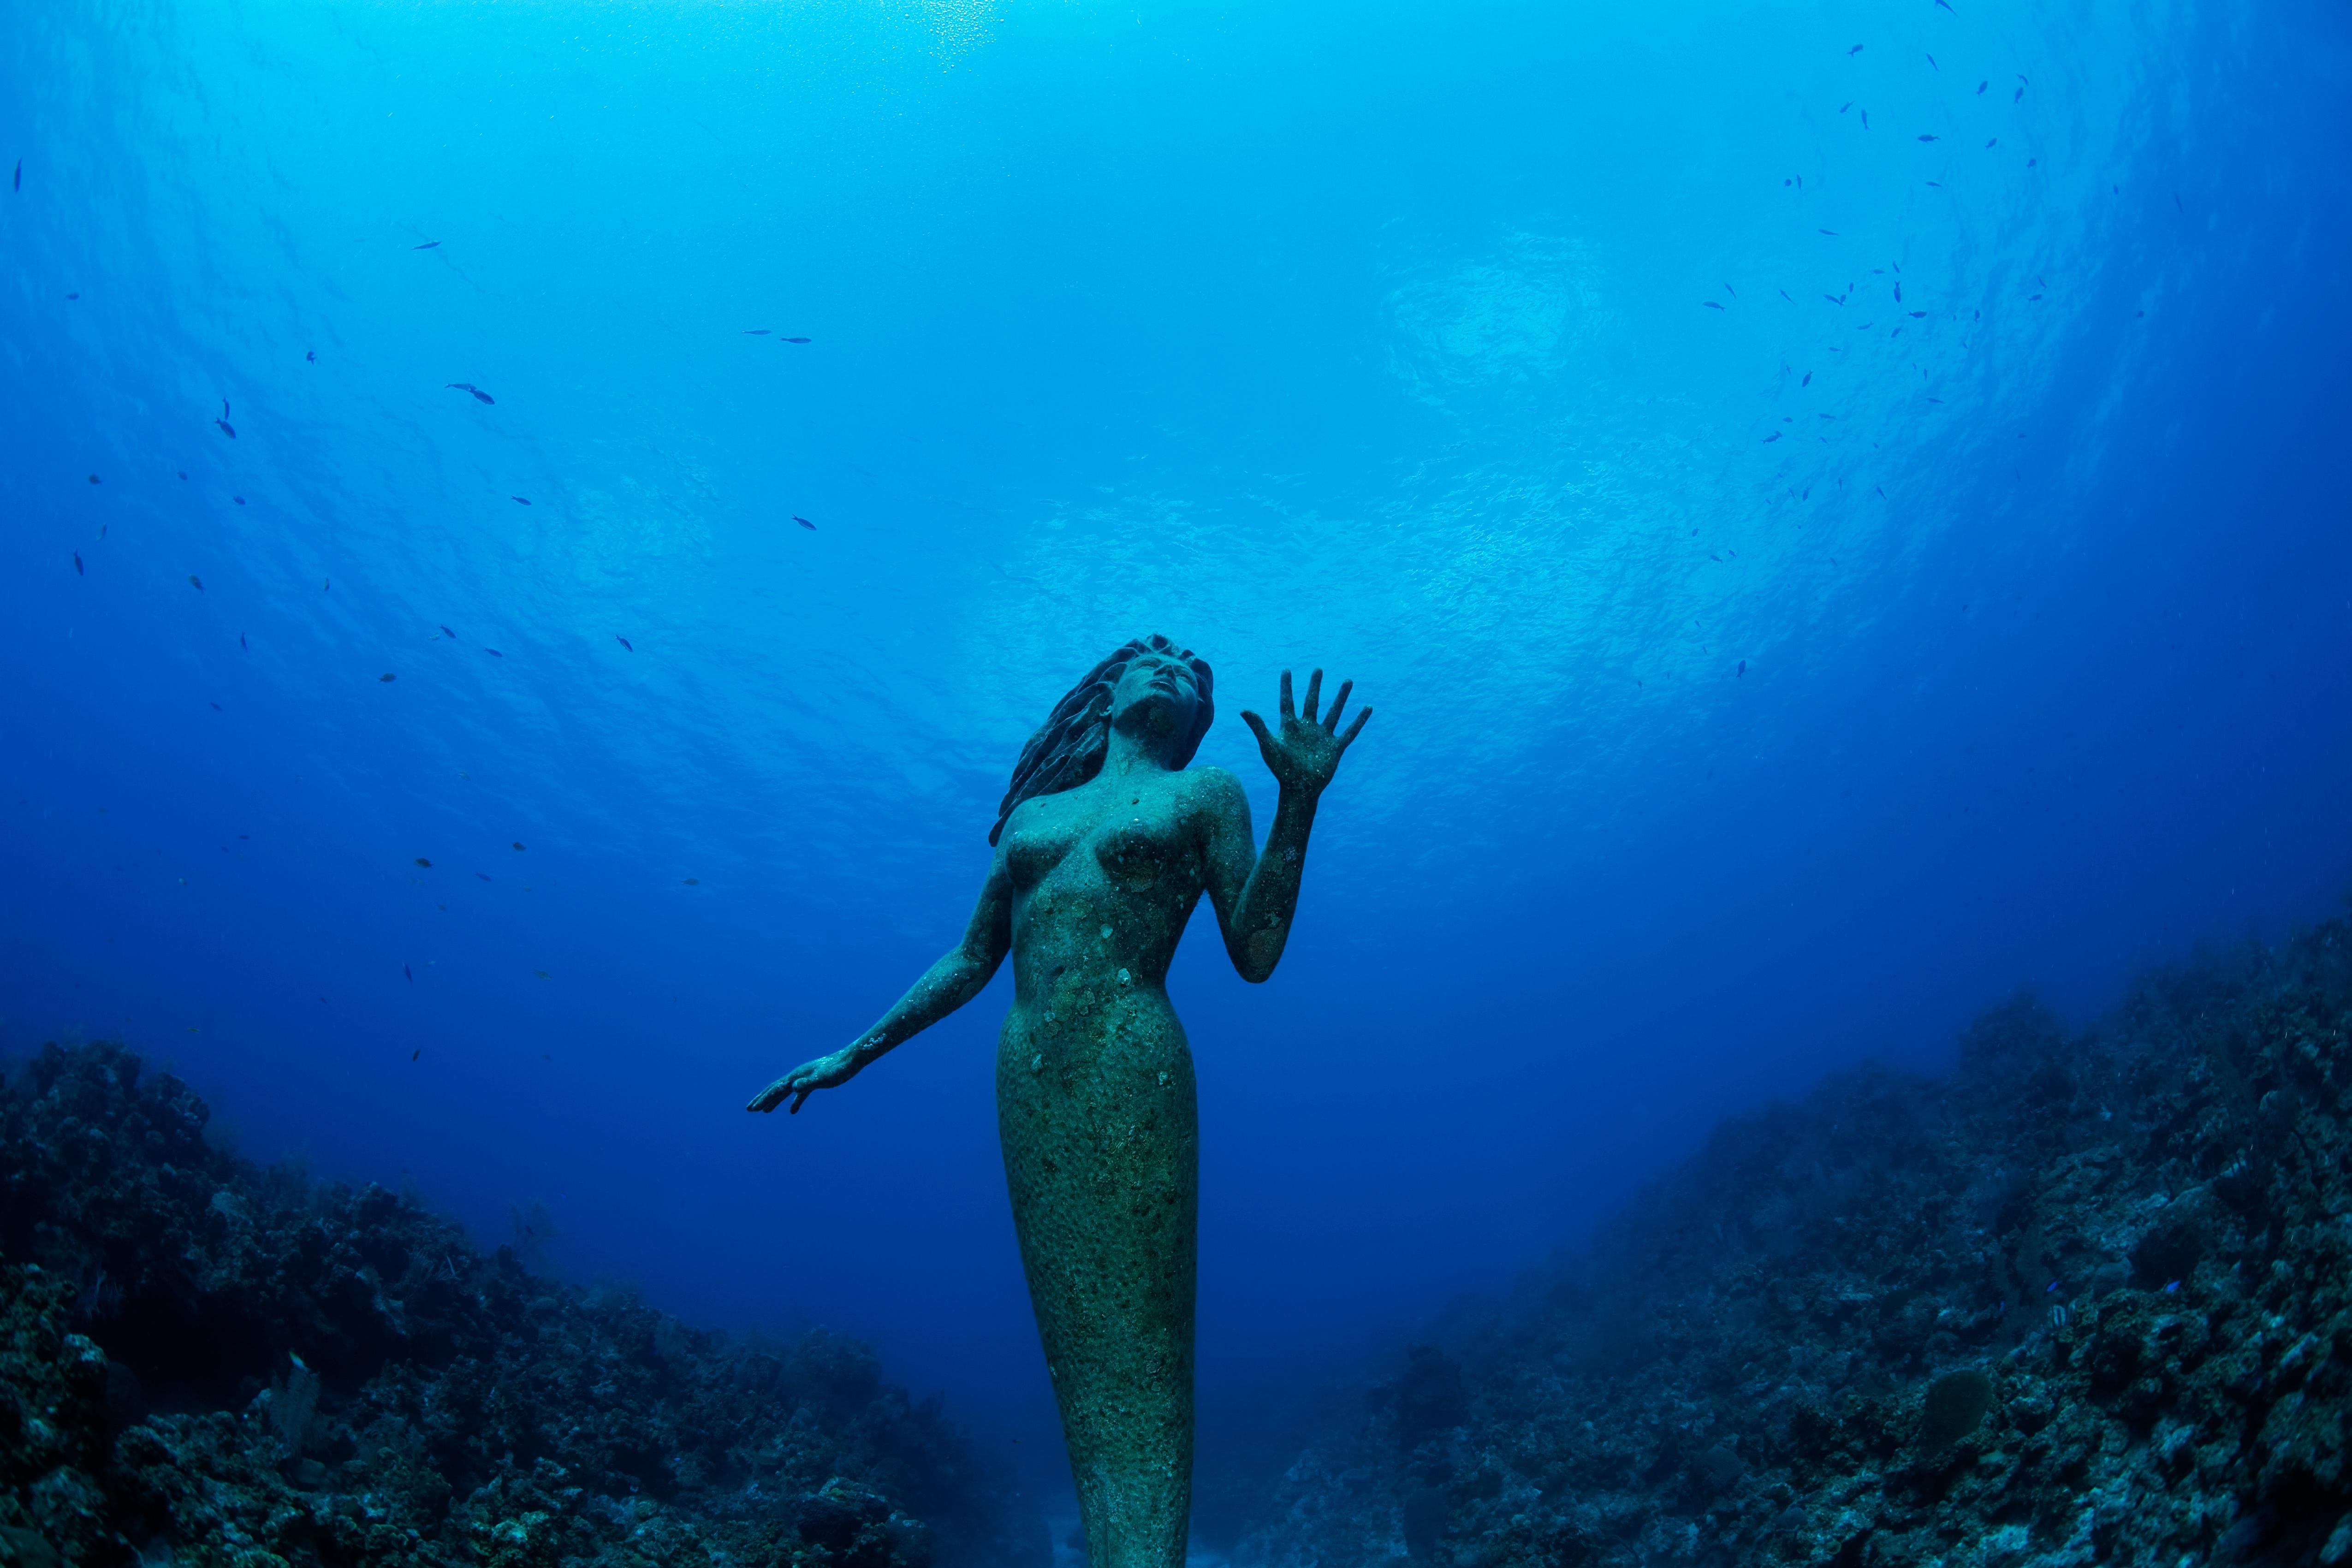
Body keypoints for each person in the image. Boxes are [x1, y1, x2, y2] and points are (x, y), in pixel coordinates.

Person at [749, 635, 1370, 1568]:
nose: (1173, 669)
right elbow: (970, 959)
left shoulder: (1203, 795)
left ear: (1200, 720)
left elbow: (1255, 950)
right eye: (1152, 658)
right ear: (1105, 691)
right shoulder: (1035, 815)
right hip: (1031, 1069)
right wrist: (855, 1051)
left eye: (1193, 674)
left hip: (1135, 1061)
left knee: (1146, 1355)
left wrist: (1300, 800)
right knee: (1078, 1349)